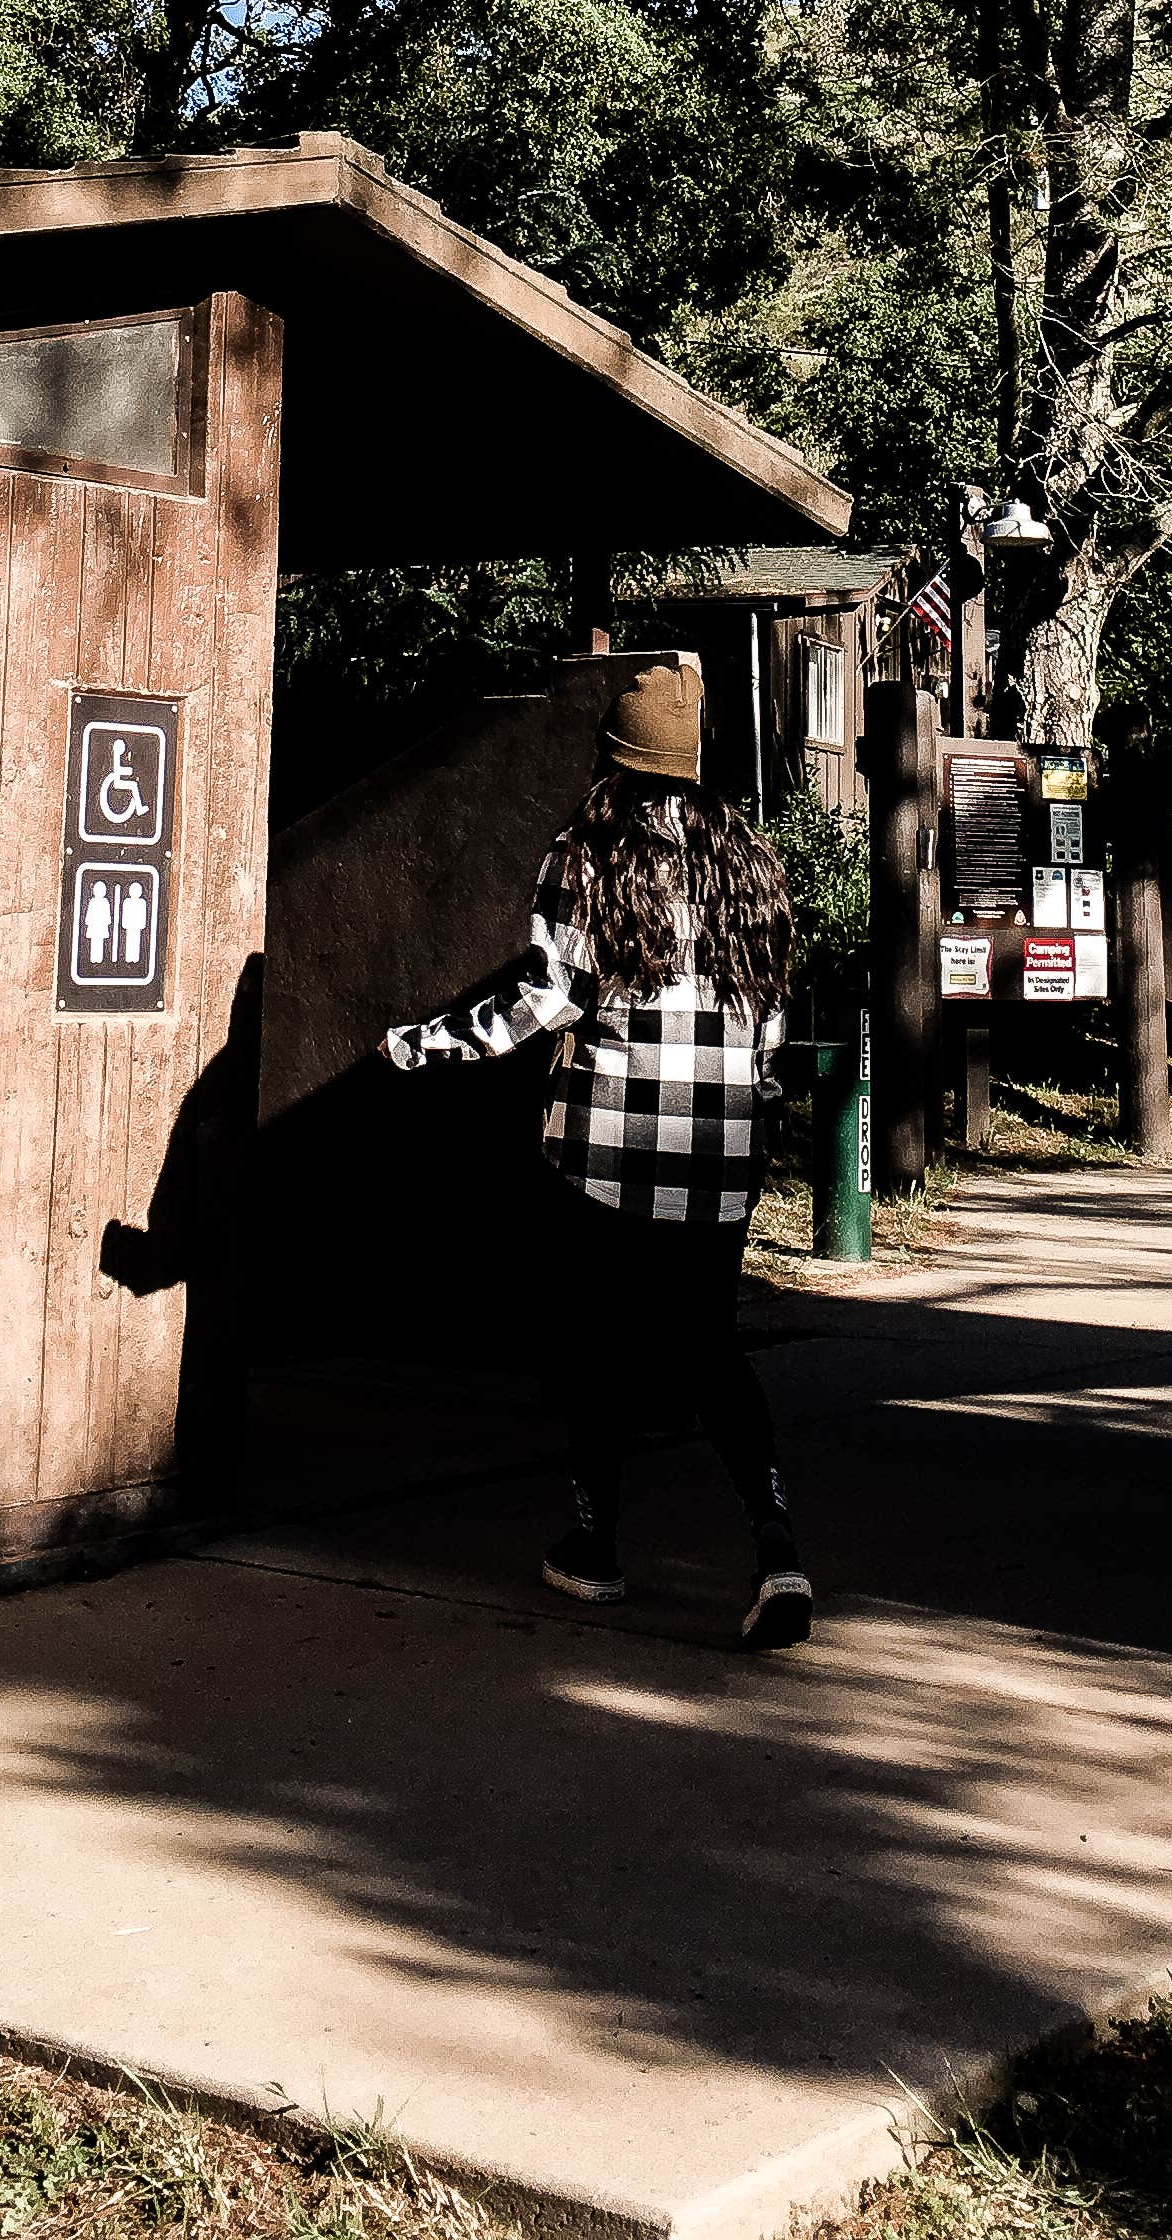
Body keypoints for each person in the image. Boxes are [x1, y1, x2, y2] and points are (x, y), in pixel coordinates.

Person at [381, 660, 811, 1649]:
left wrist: (420, 1044)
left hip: (607, 1152)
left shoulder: (586, 856)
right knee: (710, 1348)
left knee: (597, 1345)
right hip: (722, 1156)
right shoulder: (752, 864)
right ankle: (777, 1544)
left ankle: (595, 1546)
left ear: (613, 764)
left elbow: (542, 1002)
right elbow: (775, 1028)